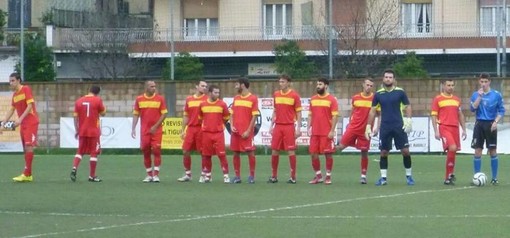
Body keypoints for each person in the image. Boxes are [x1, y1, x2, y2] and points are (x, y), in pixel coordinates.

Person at [365, 69, 415, 186]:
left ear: (394, 80)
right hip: (385, 127)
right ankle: (383, 178)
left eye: (390, 77)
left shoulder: (400, 92)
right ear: (383, 79)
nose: (388, 79)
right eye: (386, 77)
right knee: (383, 152)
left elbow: (407, 106)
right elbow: (372, 111)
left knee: (405, 151)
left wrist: (408, 120)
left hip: (399, 126)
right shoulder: (378, 94)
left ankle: (409, 176)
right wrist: (368, 125)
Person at [1, 73, 39, 182]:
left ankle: (26, 174)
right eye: (10, 81)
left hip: (31, 121)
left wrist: (20, 119)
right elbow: (11, 110)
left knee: (28, 146)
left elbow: (30, 106)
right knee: (25, 148)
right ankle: (29, 174)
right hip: (24, 123)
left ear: (18, 80)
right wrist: (3, 124)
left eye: (12, 80)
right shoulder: (15, 95)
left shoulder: (26, 89)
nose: (10, 83)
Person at [336, 78, 375, 184]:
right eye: (367, 85)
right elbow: (353, 111)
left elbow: (378, 114)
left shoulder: (375, 99)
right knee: (340, 147)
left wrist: (376, 127)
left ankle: (363, 176)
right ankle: (327, 170)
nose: (369, 87)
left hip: (365, 130)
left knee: (364, 152)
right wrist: (350, 122)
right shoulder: (356, 98)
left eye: (371, 86)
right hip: (353, 127)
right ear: (363, 85)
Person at [469, 73, 505, 185]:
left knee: (492, 150)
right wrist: (479, 97)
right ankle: (477, 176)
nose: (483, 84)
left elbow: (501, 110)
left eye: (485, 82)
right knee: (477, 150)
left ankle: (494, 178)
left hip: (490, 124)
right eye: (481, 82)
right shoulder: (475, 95)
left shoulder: (496, 95)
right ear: (479, 82)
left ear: (489, 82)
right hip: (479, 124)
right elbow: (472, 109)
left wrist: (496, 122)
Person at [431, 79, 467, 185]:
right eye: (448, 85)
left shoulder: (456, 99)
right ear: (443, 86)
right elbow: (434, 115)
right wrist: (436, 130)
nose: (450, 87)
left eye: (452, 85)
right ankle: (449, 175)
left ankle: (449, 176)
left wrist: (464, 129)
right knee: (452, 147)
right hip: (444, 127)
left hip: (455, 128)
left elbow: (460, 115)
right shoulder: (438, 99)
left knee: (453, 151)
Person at [131, 81, 168, 183]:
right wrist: (133, 128)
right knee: (145, 151)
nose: (154, 88)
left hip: (157, 130)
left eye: (155, 86)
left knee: (156, 150)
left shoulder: (160, 99)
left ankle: (156, 175)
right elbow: (136, 114)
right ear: (146, 87)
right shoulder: (139, 99)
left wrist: (155, 126)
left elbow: (164, 114)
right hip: (145, 131)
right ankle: (149, 175)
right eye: (152, 86)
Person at [269, 74, 302, 184]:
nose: (281, 84)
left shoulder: (294, 96)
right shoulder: (276, 95)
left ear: (288, 83)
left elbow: (299, 112)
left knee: (291, 151)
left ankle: (292, 177)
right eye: (280, 82)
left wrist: (298, 128)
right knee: (274, 150)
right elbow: (275, 111)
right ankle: (274, 176)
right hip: (278, 126)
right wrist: (271, 126)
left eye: (283, 82)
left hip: (289, 126)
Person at [70, 85, 106, 182]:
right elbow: (103, 113)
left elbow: (75, 117)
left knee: (80, 151)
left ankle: (74, 168)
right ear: (98, 92)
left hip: (82, 130)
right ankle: (92, 176)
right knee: (94, 153)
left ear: (89, 90)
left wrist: (77, 129)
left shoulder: (79, 101)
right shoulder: (98, 100)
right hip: (94, 131)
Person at [307, 78, 338, 185]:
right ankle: (319, 176)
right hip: (315, 132)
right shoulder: (313, 99)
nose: (318, 86)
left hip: (326, 132)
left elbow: (335, 116)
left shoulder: (331, 99)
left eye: (320, 84)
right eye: (317, 84)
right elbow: (310, 114)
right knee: (313, 153)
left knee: (328, 154)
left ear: (326, 86)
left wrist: (332, 130)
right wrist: (308, 127)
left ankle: (328, 176)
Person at [198, 85, 230, 183]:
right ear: (210, 93)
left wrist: (218, 126)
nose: (217, 94)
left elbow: (226, 118)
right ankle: (208, 175)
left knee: (222, 155)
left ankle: (226, 175)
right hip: (206, 133)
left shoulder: (222, 104)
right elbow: (200, 118)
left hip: (218, 133)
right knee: (206, 155)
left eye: (218, 93)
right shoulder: (202, 104)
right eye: (215, 92)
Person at [229, 77, 260, 184]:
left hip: (246, 132)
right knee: (235, 153)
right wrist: (232, 125)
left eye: (237, 84)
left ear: (242, 85)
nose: (235, 86)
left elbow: (254, 116)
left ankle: (252, 176)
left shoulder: (253, 98)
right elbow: (231, 114)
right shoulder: (236, 98)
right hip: (236, 132)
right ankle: (237, 176)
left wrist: (248, 131)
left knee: (250, 153)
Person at [177, 80, 208, 182]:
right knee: (185, 150)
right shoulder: (189, 99)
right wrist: (182, 130)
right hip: (191, 128)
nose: (204, 88)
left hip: (201, 129)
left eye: (205, 86)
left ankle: (204, 174)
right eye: (202, 86)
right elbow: (186, 115)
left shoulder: (207, 99)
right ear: (197, 87)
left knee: (203, 152)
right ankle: (188, 174)